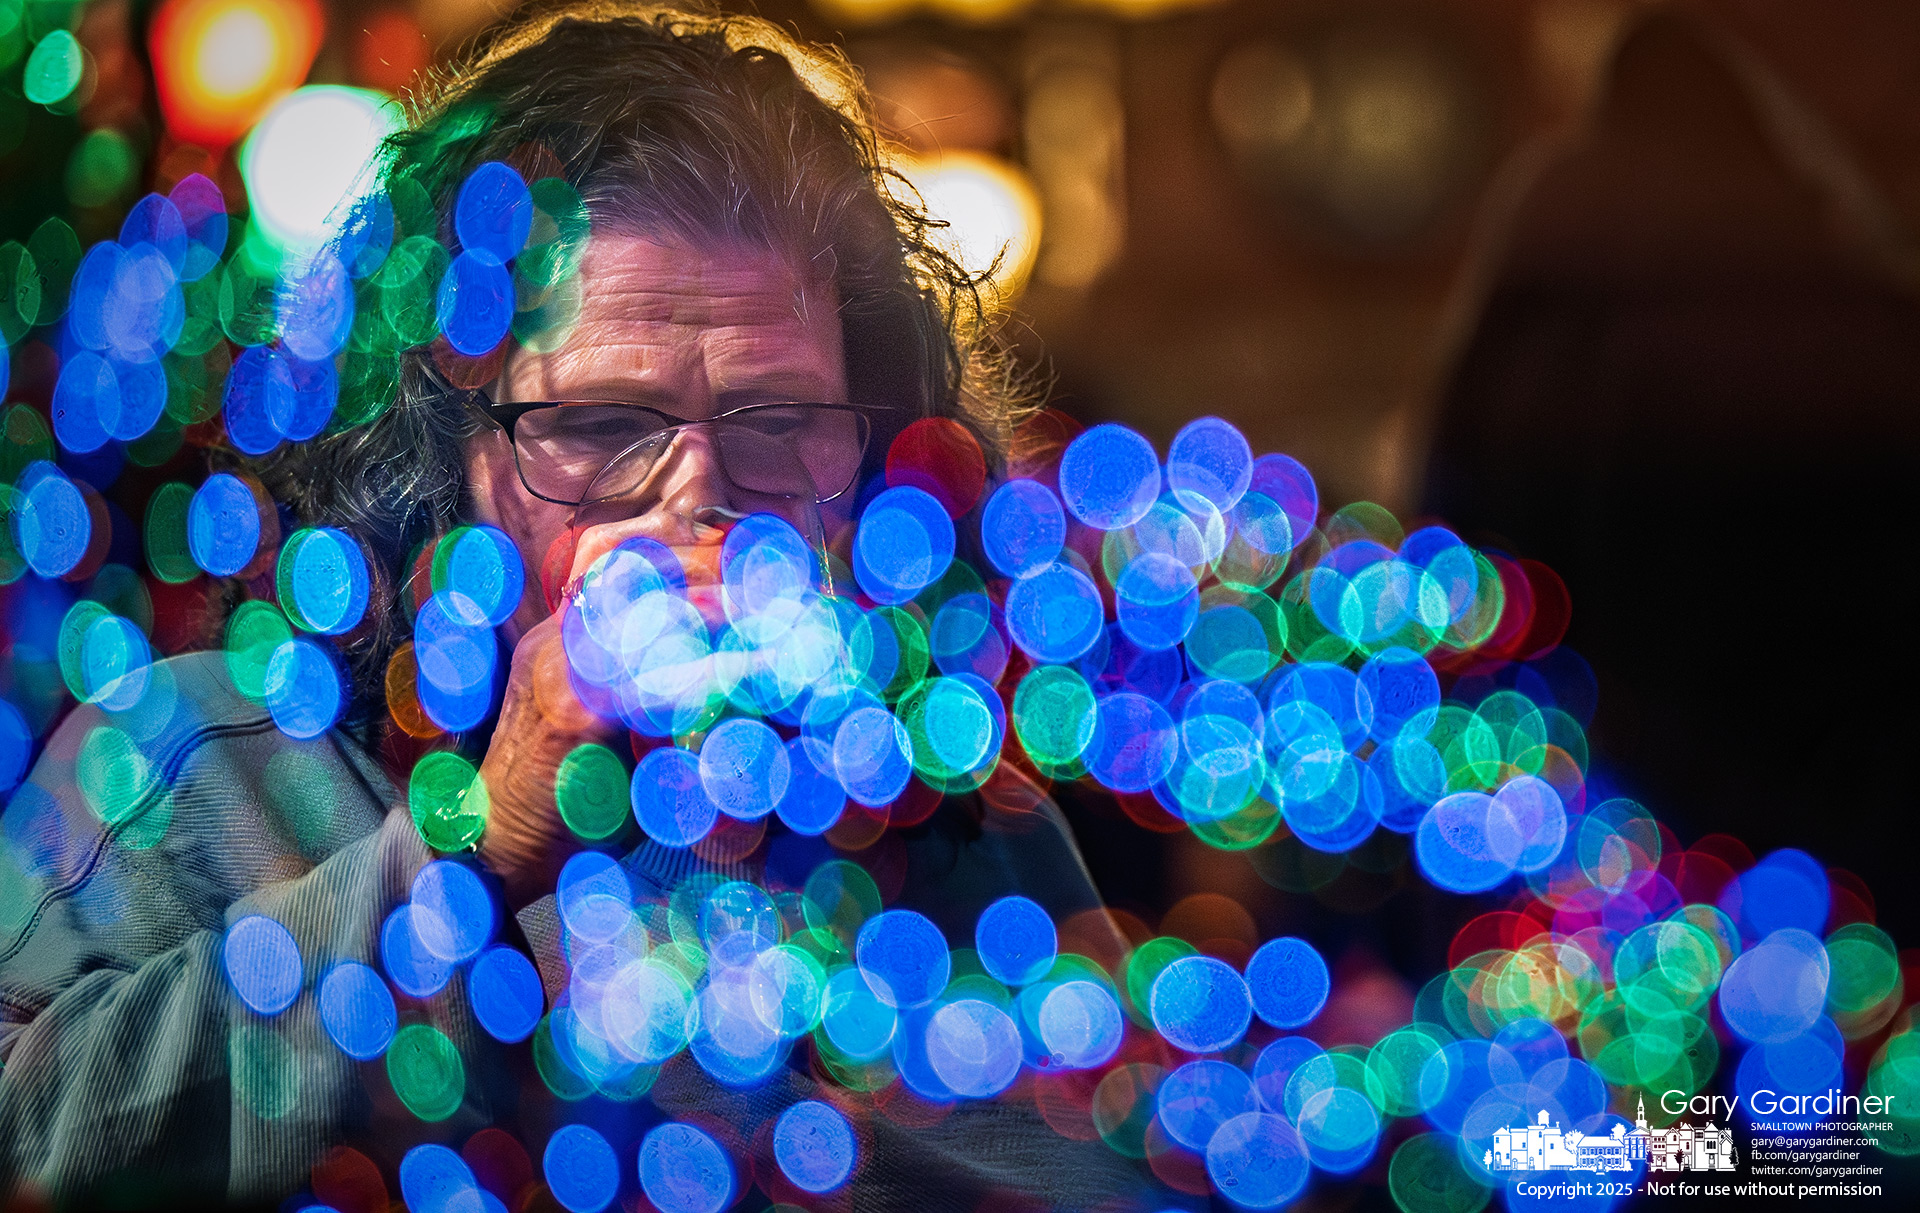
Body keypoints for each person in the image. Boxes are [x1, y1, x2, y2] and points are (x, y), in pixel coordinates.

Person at [0, 4, 1146, 1208]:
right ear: (440, 459)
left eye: (779, 423)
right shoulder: (195, 754)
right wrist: (476, 849)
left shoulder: (952, 819)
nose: (698, 496)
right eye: (598, 425)